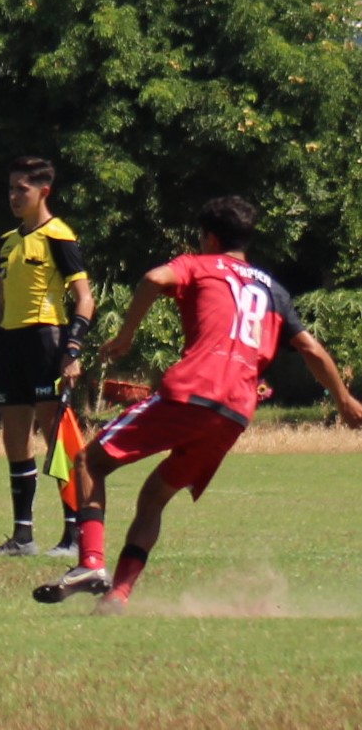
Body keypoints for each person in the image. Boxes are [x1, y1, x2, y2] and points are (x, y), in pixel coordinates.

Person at [35, 196, 362, 611]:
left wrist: (127, 334)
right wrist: (345, 400)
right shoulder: (272, 290)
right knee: (154, 497)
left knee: (89, 462)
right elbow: (312, 350)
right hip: (235, 411)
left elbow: (154, 279)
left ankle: (91, 564)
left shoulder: (199, 264)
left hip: (193, 391)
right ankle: (118, 595)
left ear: (209, 237)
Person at [0, 156, 95, 558]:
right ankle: (22, 536)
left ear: (44, 191)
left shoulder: (59, 235)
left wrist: (73, 349)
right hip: (11, 345)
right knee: (14, 439)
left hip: (47, 341)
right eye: (10, 189)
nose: (13, 196)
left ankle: (74, 534)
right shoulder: (8, 242)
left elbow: (84, 299)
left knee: (56, 438)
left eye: (21, 189)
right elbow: (0, 307)